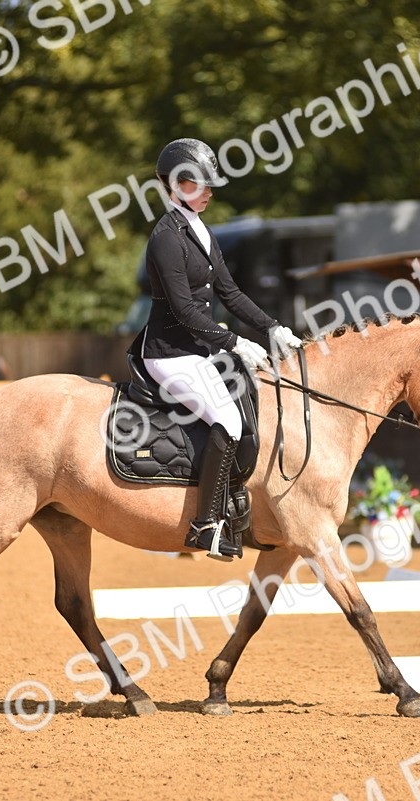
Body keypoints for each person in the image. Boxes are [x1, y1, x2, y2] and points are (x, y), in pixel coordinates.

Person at [131, 138, 303, 561]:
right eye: (200, 184)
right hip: (169, 352)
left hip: (197, 351)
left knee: (249, 404)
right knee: (226, 418)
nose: (209, 191)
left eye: (210, 184)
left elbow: (228, 291)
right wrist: (235, 342)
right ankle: (206, 526)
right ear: (175, 185)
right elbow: (184, 309)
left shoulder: (201, 230)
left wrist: (271, 326)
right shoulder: (165, 237)